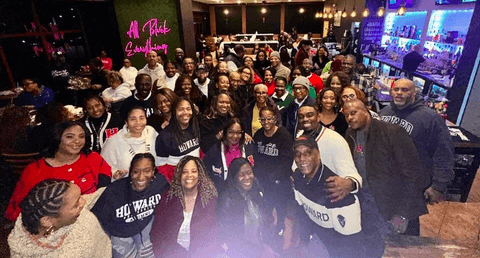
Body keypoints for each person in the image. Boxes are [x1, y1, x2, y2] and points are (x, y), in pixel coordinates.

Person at [344, 99, 428, 239]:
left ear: (366, 111)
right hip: (363, 199)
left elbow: (413, 174)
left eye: (353, 112)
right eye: (346, 115)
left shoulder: (392, 132)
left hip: (388, 204)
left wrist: (403, 213)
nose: (350, 118)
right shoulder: (350, 133)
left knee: (389, 245)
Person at [5, 121, 112, 221]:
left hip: (94, 218)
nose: (77, 141)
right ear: (57, 138)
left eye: (81, 136)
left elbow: (105, 173)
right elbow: (18, 208)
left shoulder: (92, 158)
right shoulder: (35, 170)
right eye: (69, 137)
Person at [380, 78, 454, 213]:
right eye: (396, 89)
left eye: (405, 90)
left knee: (407, 224)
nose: (399, 93)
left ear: (414, 93)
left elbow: (443, 154)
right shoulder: (385, 112)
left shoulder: (430, 118)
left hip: (412, 186)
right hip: (385, 182)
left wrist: (438, 185)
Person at [291, 136, 370, 258]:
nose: (302, 159)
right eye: (298, 154)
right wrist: (305, 240)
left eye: (308, 153)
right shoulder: (297, 179)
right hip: (318, 238)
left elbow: (352, 245)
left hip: (340, 246)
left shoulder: (337, 191)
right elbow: (302, 212)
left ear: (318, 154)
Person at [91, 153, 170, 258]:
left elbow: (168, 208)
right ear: (130, 171)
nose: (141, 177)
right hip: (121, 235)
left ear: (153, 171)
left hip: (146, 228)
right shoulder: (114, 191)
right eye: (136, 172)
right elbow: (95, 219)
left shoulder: (160, 183)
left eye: (147, 171)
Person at [8, 179, 111, 257]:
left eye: (80, 197)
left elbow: (89, 198)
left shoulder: (54, 213)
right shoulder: (24, 251)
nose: (83, 202)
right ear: (47, 221)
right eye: (76, 205)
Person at [151, 156, 219, 257]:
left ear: (200, 174)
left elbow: (212, 235)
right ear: (179, 175)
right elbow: (158, 233)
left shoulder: (210, 199)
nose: (189, 175)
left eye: (193, 171)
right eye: (184, 172)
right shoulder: (168, 198)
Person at [296, 105, 362, 199]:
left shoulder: (335, 139)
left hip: (331, 200)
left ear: (318, 117)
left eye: (309, 115)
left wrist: (350, 183)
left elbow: (352, 175)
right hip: (309, 198)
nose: (305, 119)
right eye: (301, 117)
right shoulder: (300, 136)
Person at [216, 158, 278, 257]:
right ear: (234, 177)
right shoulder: (227, 200)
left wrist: (268, 246)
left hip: (261, 246)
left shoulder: (256, 190)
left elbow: (267, 220)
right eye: (241, 175)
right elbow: (230, 237)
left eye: (249, 173)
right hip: (239, 252)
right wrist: (259, 253)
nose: (247, 177)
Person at [253, 105, 294, 236]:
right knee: (266, 204)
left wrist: (275, 177)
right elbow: (256, 157)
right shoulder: (259, 134)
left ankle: (281, 226)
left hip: (280, 179)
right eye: (263, 119)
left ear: (275, 119)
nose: (266, 122)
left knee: (280, 204)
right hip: (264, 179)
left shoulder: (284, 135)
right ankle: (266, 225)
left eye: (269, 119)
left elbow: (287, 161)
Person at [101, 106, 160, 181]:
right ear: (126, 122)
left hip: (152, 182)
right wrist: (115, 174)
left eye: (141, 118)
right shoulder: (113, 141)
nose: (138, 123)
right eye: (133, 119)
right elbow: (103, 169)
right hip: (125, 185)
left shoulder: (151, 133)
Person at [204, 118, 255, 195]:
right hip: (221, 194)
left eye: (238, 133)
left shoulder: (249, 148)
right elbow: (205, 170)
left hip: (245, 193)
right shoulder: (215, 150)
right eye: (231, 132)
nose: (235, 136)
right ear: (225, 132)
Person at [156, 98, 201, 181]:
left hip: (195, 176)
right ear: (174, 112)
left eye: (188, 109)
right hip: (176, 180)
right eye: (180, 109)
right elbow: (161, 166)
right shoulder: (165, 136)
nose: (185, 113)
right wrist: (172, 183)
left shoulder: (196, 128)